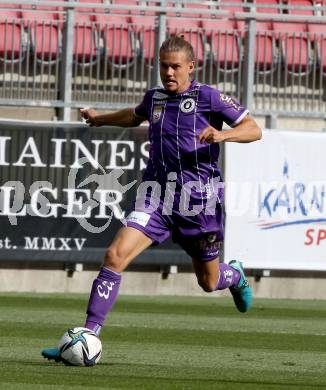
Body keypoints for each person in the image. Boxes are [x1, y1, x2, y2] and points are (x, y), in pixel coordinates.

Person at [42, 35, 262, 362]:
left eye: (175, 66)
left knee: (209, 280)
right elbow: (134, 115)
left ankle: (235, 276)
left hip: (199, 201)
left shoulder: (209, 97)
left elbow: (253, 128)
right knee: (115, 255)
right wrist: (99, 118)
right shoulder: (155, 98)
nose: (169, 72)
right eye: (163, 66)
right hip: (156, 195)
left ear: (191, 67)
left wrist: (223, 134)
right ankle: (87, 335)